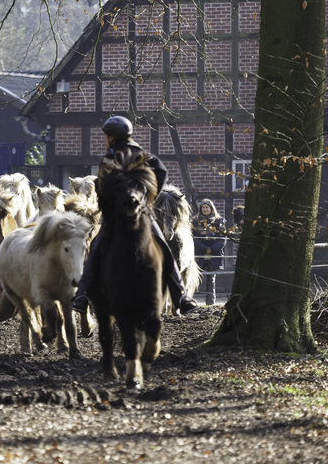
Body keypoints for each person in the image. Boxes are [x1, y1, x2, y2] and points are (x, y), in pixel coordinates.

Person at [72, 116, 198, 316]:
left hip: (116, 218)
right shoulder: (144, 156)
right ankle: (182, 297)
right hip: (143, 214)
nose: (104, 139)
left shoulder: (108, 160)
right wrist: (149, 196)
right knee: (164, 249)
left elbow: (101, 187)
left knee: (96, 248)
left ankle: (82, 296)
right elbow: (161, 174)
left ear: (113, 138)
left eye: (106, 136)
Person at [193, 199, 227, 306]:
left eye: (207, 207)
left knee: (211, 280)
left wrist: (211, 249)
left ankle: (210, 303)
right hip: (199, 253)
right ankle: (191, 302)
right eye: (203, 207)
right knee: (195, 278)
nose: (205, 209)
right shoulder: (194, 222)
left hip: (214, 254)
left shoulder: (219, 222)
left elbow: (222, 238)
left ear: (211, 208)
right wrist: (204, 248)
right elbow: (193, 238)